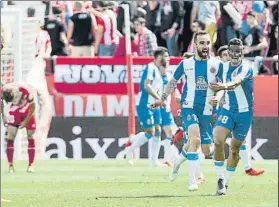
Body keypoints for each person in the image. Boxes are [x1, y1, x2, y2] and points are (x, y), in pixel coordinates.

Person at [151, 31, 221, 191]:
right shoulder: (186, 64)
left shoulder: (216, 64)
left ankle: (177, 161)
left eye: (207, 43)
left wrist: (219, 96)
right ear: (195, 44)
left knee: (206, 149)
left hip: (207, 110)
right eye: (202, 43)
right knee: (194, 138)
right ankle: (192, 181)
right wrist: (162, 98)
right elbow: (172, 83)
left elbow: (223, 85)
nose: (205, 46)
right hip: (188, 106)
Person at [210, 38, 254, 195]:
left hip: (244, 113)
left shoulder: (247, 67)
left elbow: (235, 82)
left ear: (242, 51)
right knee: (218, 139)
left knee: (234, 150)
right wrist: (219, 95)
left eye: (238, 50)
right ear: (228, 52)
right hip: (228, 110)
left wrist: (222, 87)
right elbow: (218, 82)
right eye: (232, 51)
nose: (235, 54)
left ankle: (226, 182)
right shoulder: (223, 67)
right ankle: (220, 178)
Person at [125, 47, 169, 167]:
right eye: (165, 56)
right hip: (145, 103)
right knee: (150, 131)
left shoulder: (158, 71)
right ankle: (129, 150)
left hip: (154, 105)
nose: (167, 58)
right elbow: (147, 86)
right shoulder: (150, 67)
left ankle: (154, 161)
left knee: (157, 131)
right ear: (159, 57)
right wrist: (159, 98)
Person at [1, 83, 36, 173]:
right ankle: (10, 166)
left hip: (28, 111)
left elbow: (33, 106)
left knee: (31, 136)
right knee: (10, 137)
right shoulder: (3, 91)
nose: (14, 101)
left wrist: (26, 121)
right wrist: (4, 116)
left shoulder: (26, 91)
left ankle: (31, 165)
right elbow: (1, 104)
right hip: (15, 112)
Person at [159, 65, 181, 165]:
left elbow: (174, 91)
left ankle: (169, 159)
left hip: (165, 109)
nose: (165, 66)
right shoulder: (154, 74)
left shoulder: (169, 76)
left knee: (169, 132)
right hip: (155, 108)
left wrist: (180, 100)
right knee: (153, 132)